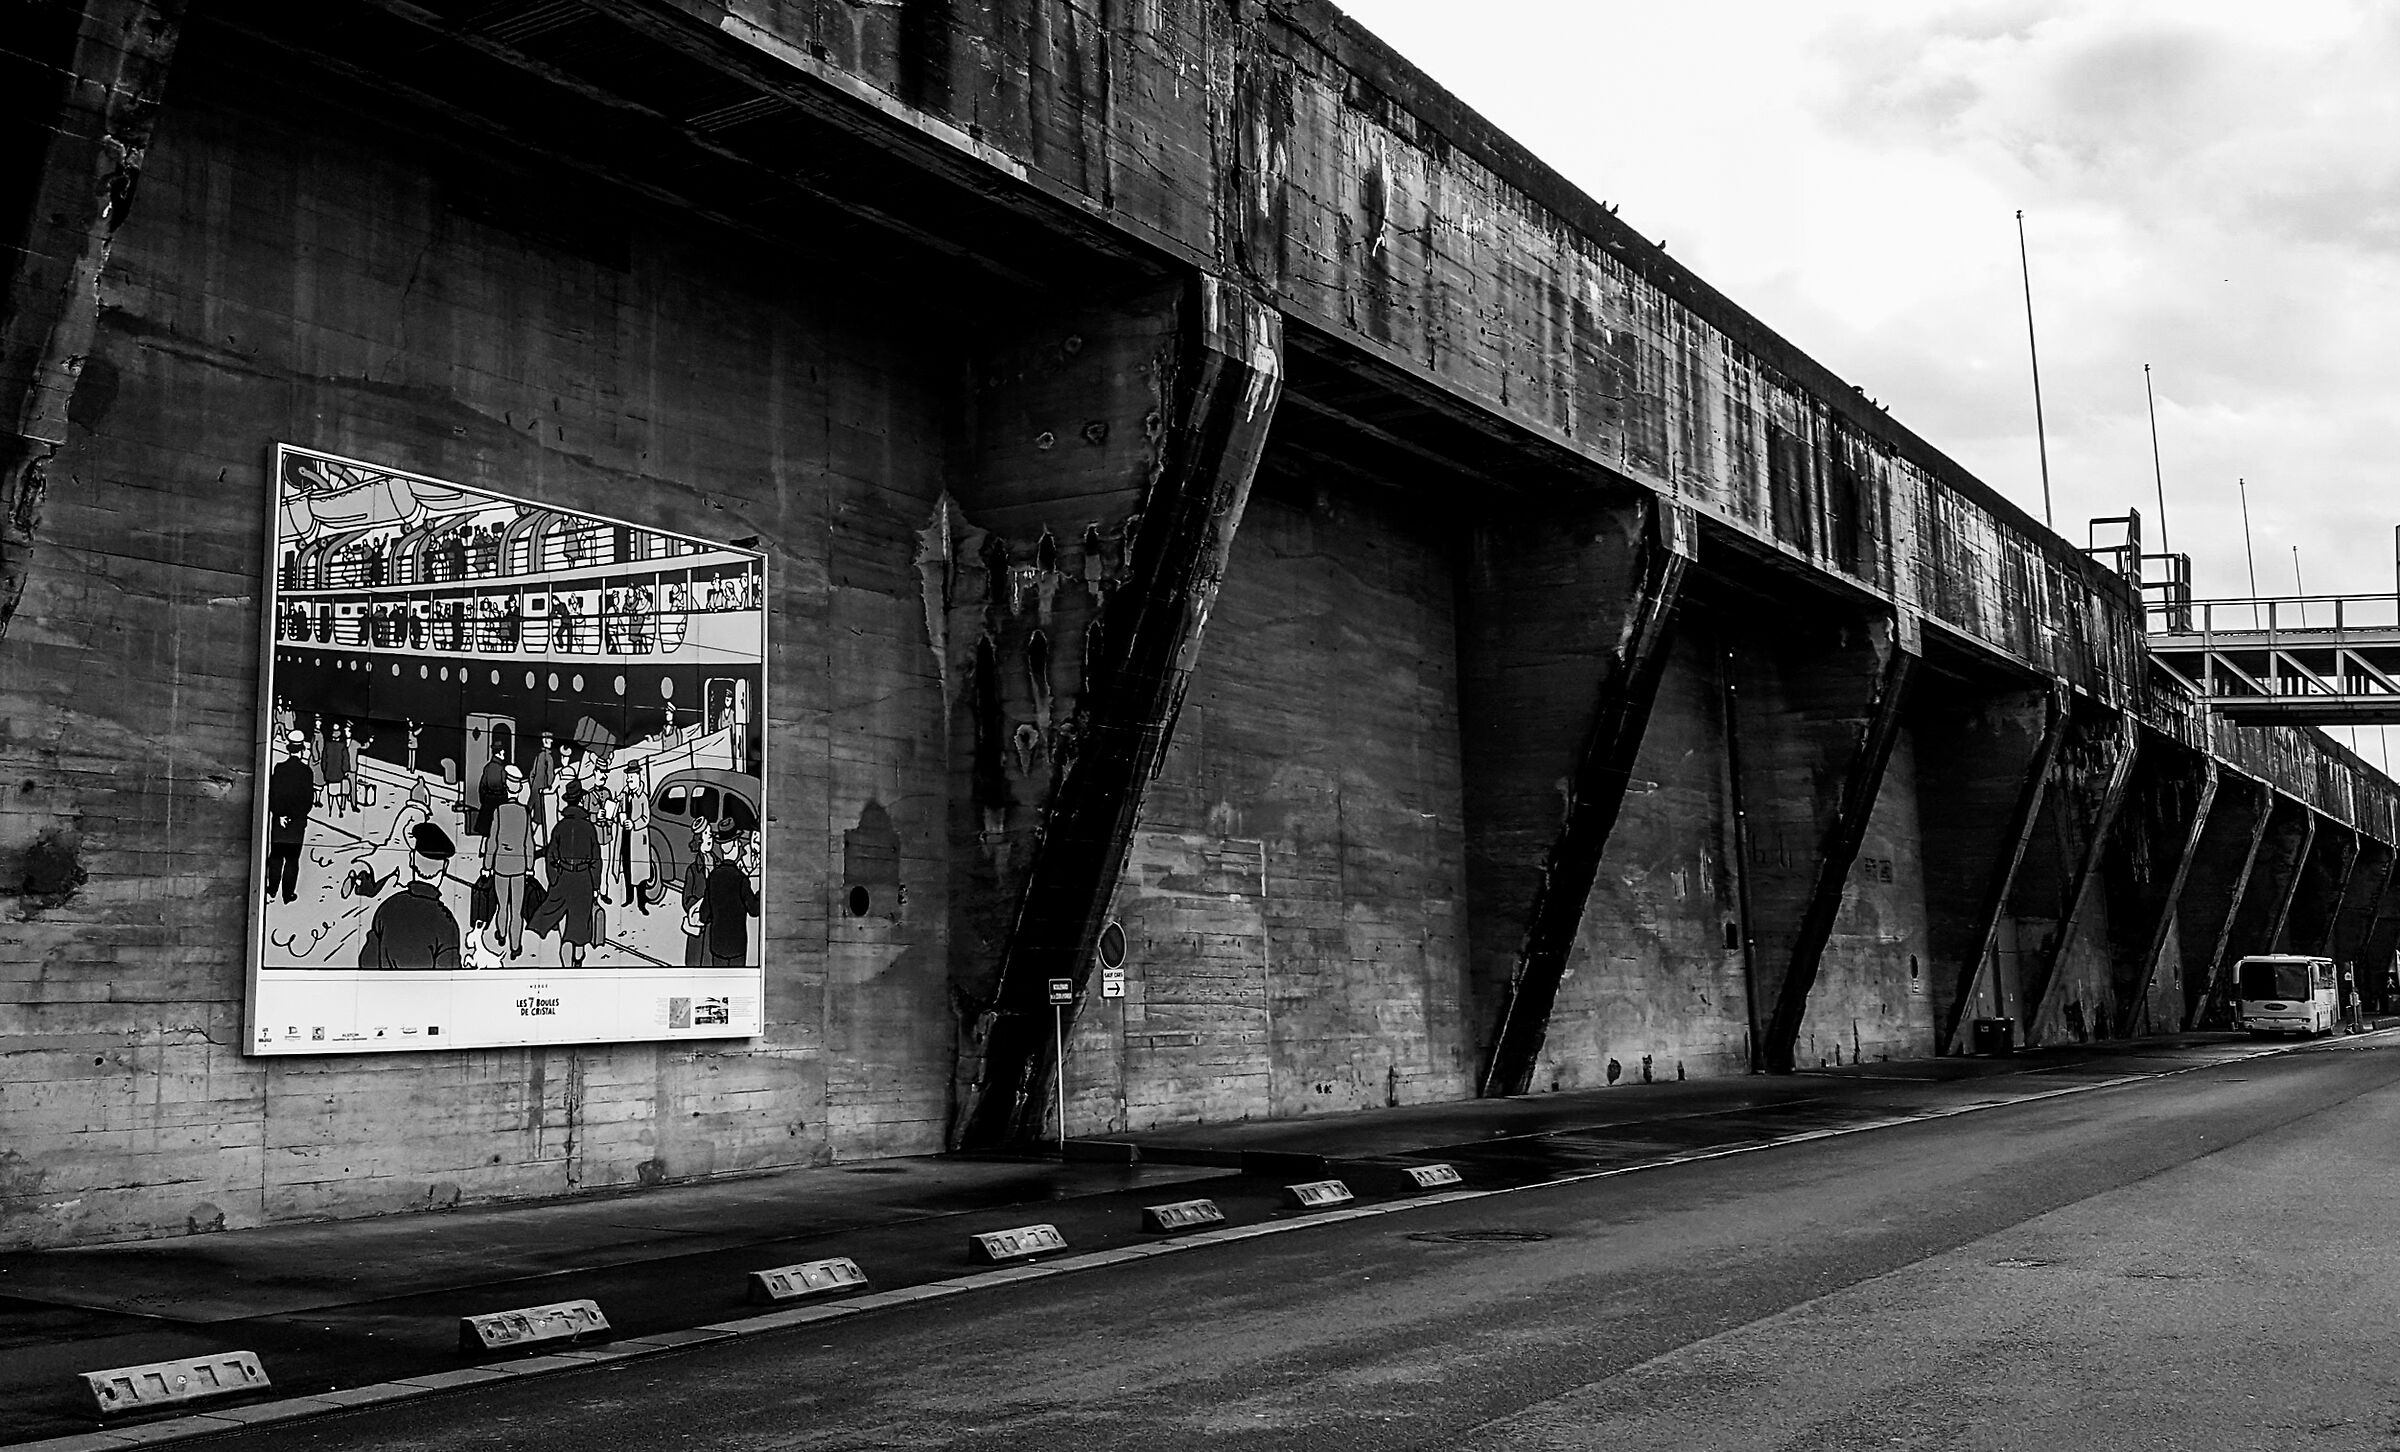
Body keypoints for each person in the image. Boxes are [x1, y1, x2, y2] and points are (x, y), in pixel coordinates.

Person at [357, 822, 463, 971]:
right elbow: (448, 976)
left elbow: (367, 962)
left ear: (412, 858)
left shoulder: (387, 907)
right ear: (445, 866)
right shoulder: (447, 924)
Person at [529, 781, 603, 966]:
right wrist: (595, 886)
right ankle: (577, 962)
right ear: (581, 801)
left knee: (559, 924)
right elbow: (596, 860)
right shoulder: (589, 828)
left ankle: (566, 967)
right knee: (579, 930)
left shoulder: (560, 827)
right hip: (584, 880)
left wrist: (555, 879)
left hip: (563, 879)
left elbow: (550, 856)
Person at [481, 765, 535, 960]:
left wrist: (487, 866)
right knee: (517, 910)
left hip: (501, 865)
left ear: (505, 786)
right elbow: (529, 842)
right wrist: (530, 866)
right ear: (519, 788)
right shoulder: (524, 812)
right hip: (519, 867)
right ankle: (515, 946)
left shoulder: (499, 811)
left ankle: (501, 934)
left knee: (502, 905)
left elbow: (492, 841)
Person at [265, 730, 316, 904]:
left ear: (288, 749)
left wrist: (280, 814)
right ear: (302, 750)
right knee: (292, 860)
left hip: (279, 821)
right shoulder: (306, 772)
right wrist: (296, 817)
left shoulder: (279, 768)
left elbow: (273, 794)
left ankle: (272, 889)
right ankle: (288, 894)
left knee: (276, 856)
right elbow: (308, 800)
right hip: (297, 823)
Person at [699, 828, 760, 968]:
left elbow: (704, 915)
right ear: (734, 846)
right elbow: (754, 910)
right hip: (737, 946)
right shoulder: (741, 879)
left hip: (717, 945)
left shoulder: (713, 877)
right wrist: (760, 893)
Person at [528, 730, 557, 832]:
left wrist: (533, 785)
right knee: (540, 818)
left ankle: (527, 834)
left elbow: (532, 774)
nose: (552, 741)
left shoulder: (538, 755)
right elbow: (550, 775)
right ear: (545, 740)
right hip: (542, 791)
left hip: (534, 789)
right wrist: (549, 787)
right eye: (550, 739)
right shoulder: (548, 757)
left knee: (530, 813)